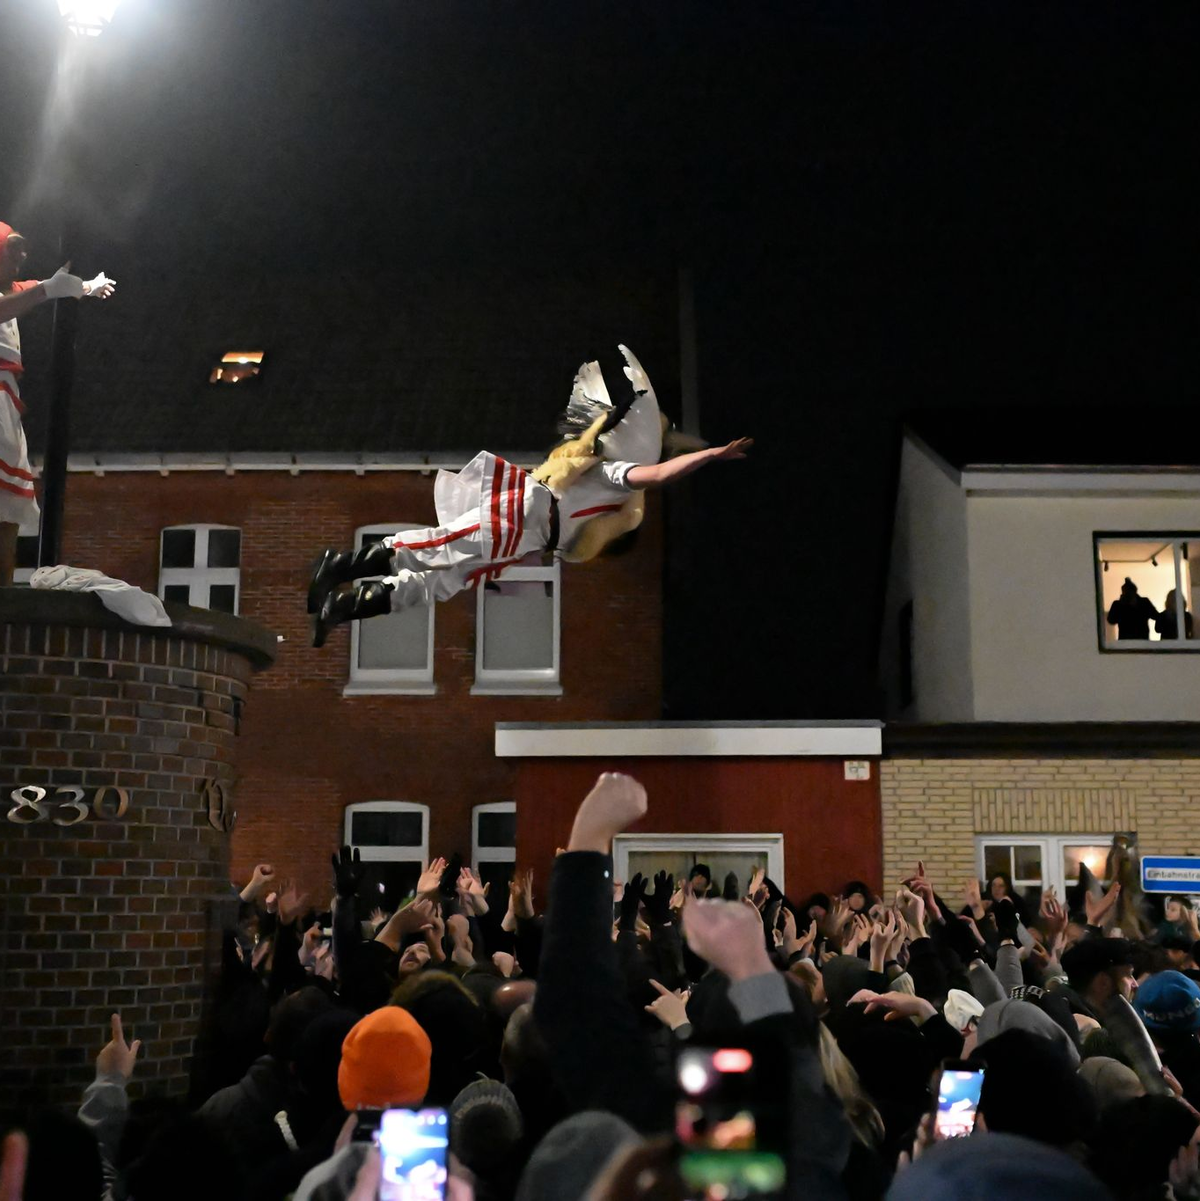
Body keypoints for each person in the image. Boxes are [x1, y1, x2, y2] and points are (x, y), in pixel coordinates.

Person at [308, 345, 752, 646]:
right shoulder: (608, 472)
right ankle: (340, 566)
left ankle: (343, 607)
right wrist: (711, 455)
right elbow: (657, 473)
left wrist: (700, 447)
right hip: (527, 514)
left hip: (534, 538)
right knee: (439, 546)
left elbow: (667, 448)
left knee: (442, 582)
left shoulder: (614, 498)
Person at [0, 222, 114, 584]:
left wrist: (83, 287)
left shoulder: (12, 291)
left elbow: (29, 290)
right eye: (12, 248)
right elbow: (16, 302)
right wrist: (51, 290)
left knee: (8, 509)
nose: (22, 256)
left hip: (7, 406)